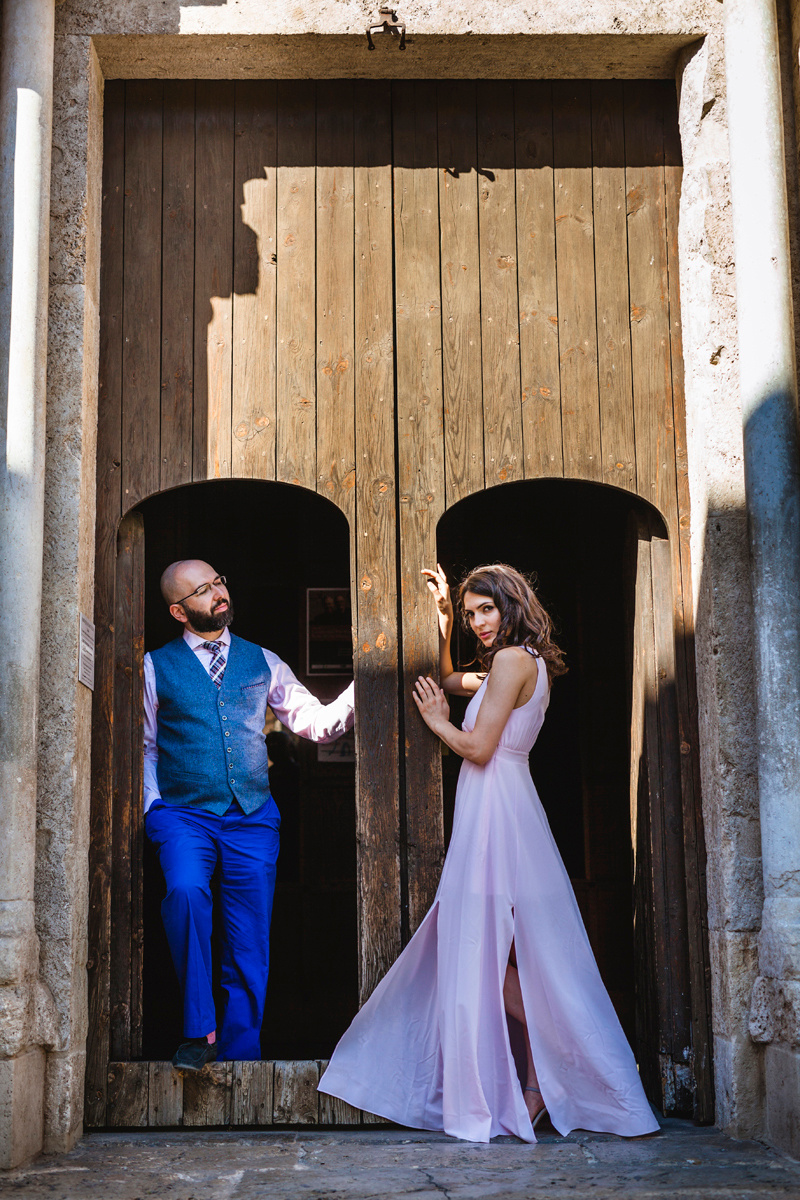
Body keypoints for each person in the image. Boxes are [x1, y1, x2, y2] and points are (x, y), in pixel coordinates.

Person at [319, 563, 659, 1143]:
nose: (478, 622)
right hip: (501, 806)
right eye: (470, 612)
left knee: (476, 946)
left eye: (486, 610)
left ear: (512, 605)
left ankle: (549, 1069)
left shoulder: (512, 662)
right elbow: (452, 680)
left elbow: (478, 748)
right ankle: (538, 1080)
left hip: (497, 812)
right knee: (486, 947)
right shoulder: (521, 662)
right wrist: (443, 624)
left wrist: (436, 722)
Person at [143, 560, 354, 1070]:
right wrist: (153, 807)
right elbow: (145, 745)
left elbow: (317, 724)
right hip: (182, 814)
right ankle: (200, 1031)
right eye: (202, 590)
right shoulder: (154, 666)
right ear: (179, 611)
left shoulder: (263, 661)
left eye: (218, 582)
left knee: (249, 940)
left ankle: (241, 1058)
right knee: (186, 893)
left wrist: (367, 680)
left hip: (253, 817)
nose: (218, 593)